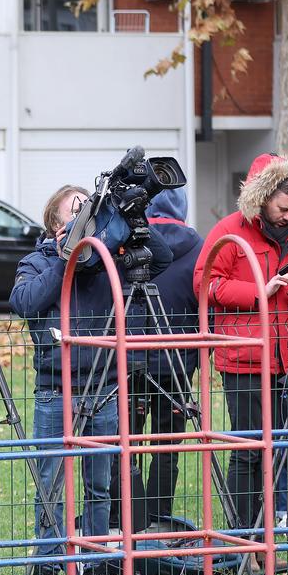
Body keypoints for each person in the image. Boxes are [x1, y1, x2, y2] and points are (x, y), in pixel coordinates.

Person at [10, 183, 171, 575]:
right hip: (55, 390)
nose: (85, 215)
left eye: (89, 209)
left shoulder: (109, 262)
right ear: (55, 223)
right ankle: (47, 570)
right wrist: (66, 260)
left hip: (104, 389)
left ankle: (97, 570)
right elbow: (24, 302)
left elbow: (165, 258)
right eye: (75, 210)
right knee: (51, 488)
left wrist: (130, 215)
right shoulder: (37, 260)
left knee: (100, 486)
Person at [195, 154, 288, 534]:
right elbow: (204, 284)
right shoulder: (229, 231)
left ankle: (274, 531)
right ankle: (244, 538)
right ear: (262, 195)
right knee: (249, 453)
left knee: (286, 452)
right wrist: (258, 291)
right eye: (282, 208)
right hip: (244, 361)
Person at [129, 188, 204, 526]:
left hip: (129, 355)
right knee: (167, 442)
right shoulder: (199, 246)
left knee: (125, 440)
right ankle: (159, 517)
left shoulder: (130, 241)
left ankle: (130, 517)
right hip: (178, 358)